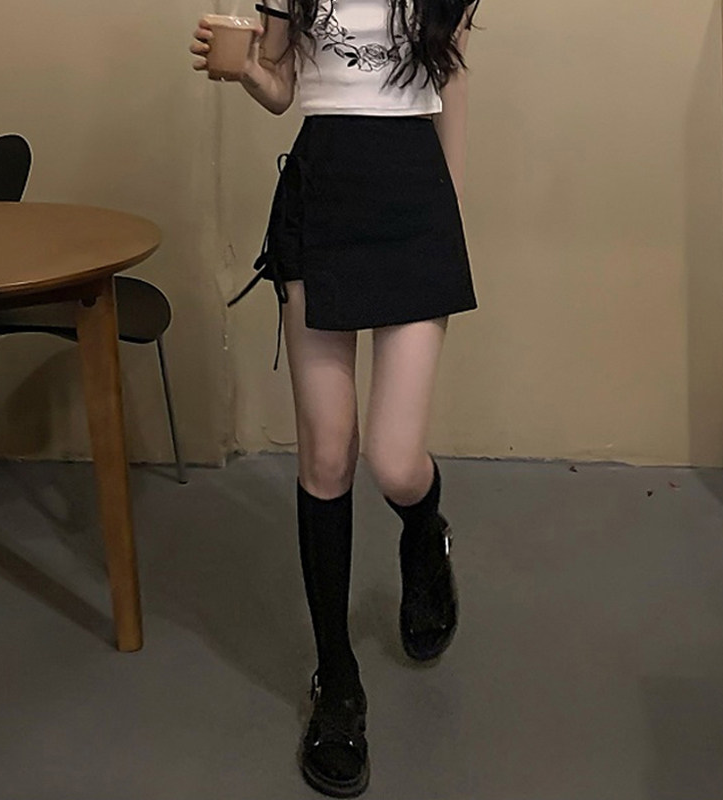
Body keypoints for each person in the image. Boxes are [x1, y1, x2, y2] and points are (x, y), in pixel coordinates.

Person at [191, 0, 479, 793]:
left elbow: (453, 82)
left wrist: (448, 218)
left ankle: (424, 531)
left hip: (415, 203)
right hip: (320, 200)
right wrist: (246, 70)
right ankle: (337, 681)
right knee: (326, 455)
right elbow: (283, 87)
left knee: (394, 459)